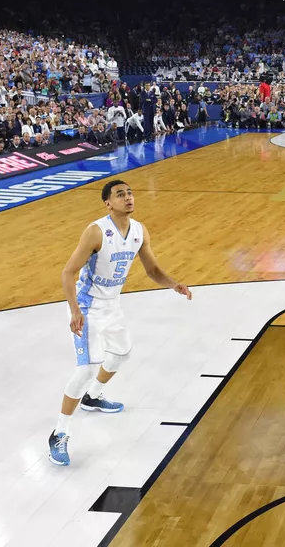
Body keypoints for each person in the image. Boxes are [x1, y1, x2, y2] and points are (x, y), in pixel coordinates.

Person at [48, 180, 192, 466]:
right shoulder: (96, 231)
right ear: (108, 203)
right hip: (87, 307)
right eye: (120, 194)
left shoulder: (139, 231)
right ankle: (59, 433)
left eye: (129, 193)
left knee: (122, 353)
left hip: (112, 305)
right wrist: (75, 310)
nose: (128, 198)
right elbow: (68, 272)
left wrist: (173, 284)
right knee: (87, 368)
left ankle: (93, 397)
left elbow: (151, 269)